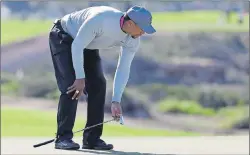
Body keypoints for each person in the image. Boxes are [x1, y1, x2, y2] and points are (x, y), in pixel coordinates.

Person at [48, 5, 156, 150]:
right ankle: (63, 138)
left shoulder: (133, 39)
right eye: (142, 28)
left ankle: (92, 139)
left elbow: (123, 68)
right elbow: (77, 46)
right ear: (130, 23)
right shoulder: (101, 20)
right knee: (72, 86)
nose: (143, 32)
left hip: (87, 44)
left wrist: (116, 100)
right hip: (64, 36)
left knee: (98, 85)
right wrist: (80, 78)